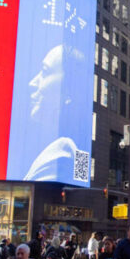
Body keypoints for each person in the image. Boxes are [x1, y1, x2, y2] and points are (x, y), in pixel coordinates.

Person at [23, 45, 81, 181]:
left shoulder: (63, 149)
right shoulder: (38, 144)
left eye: (45, 71)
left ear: (69, 89)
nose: (32, 83)